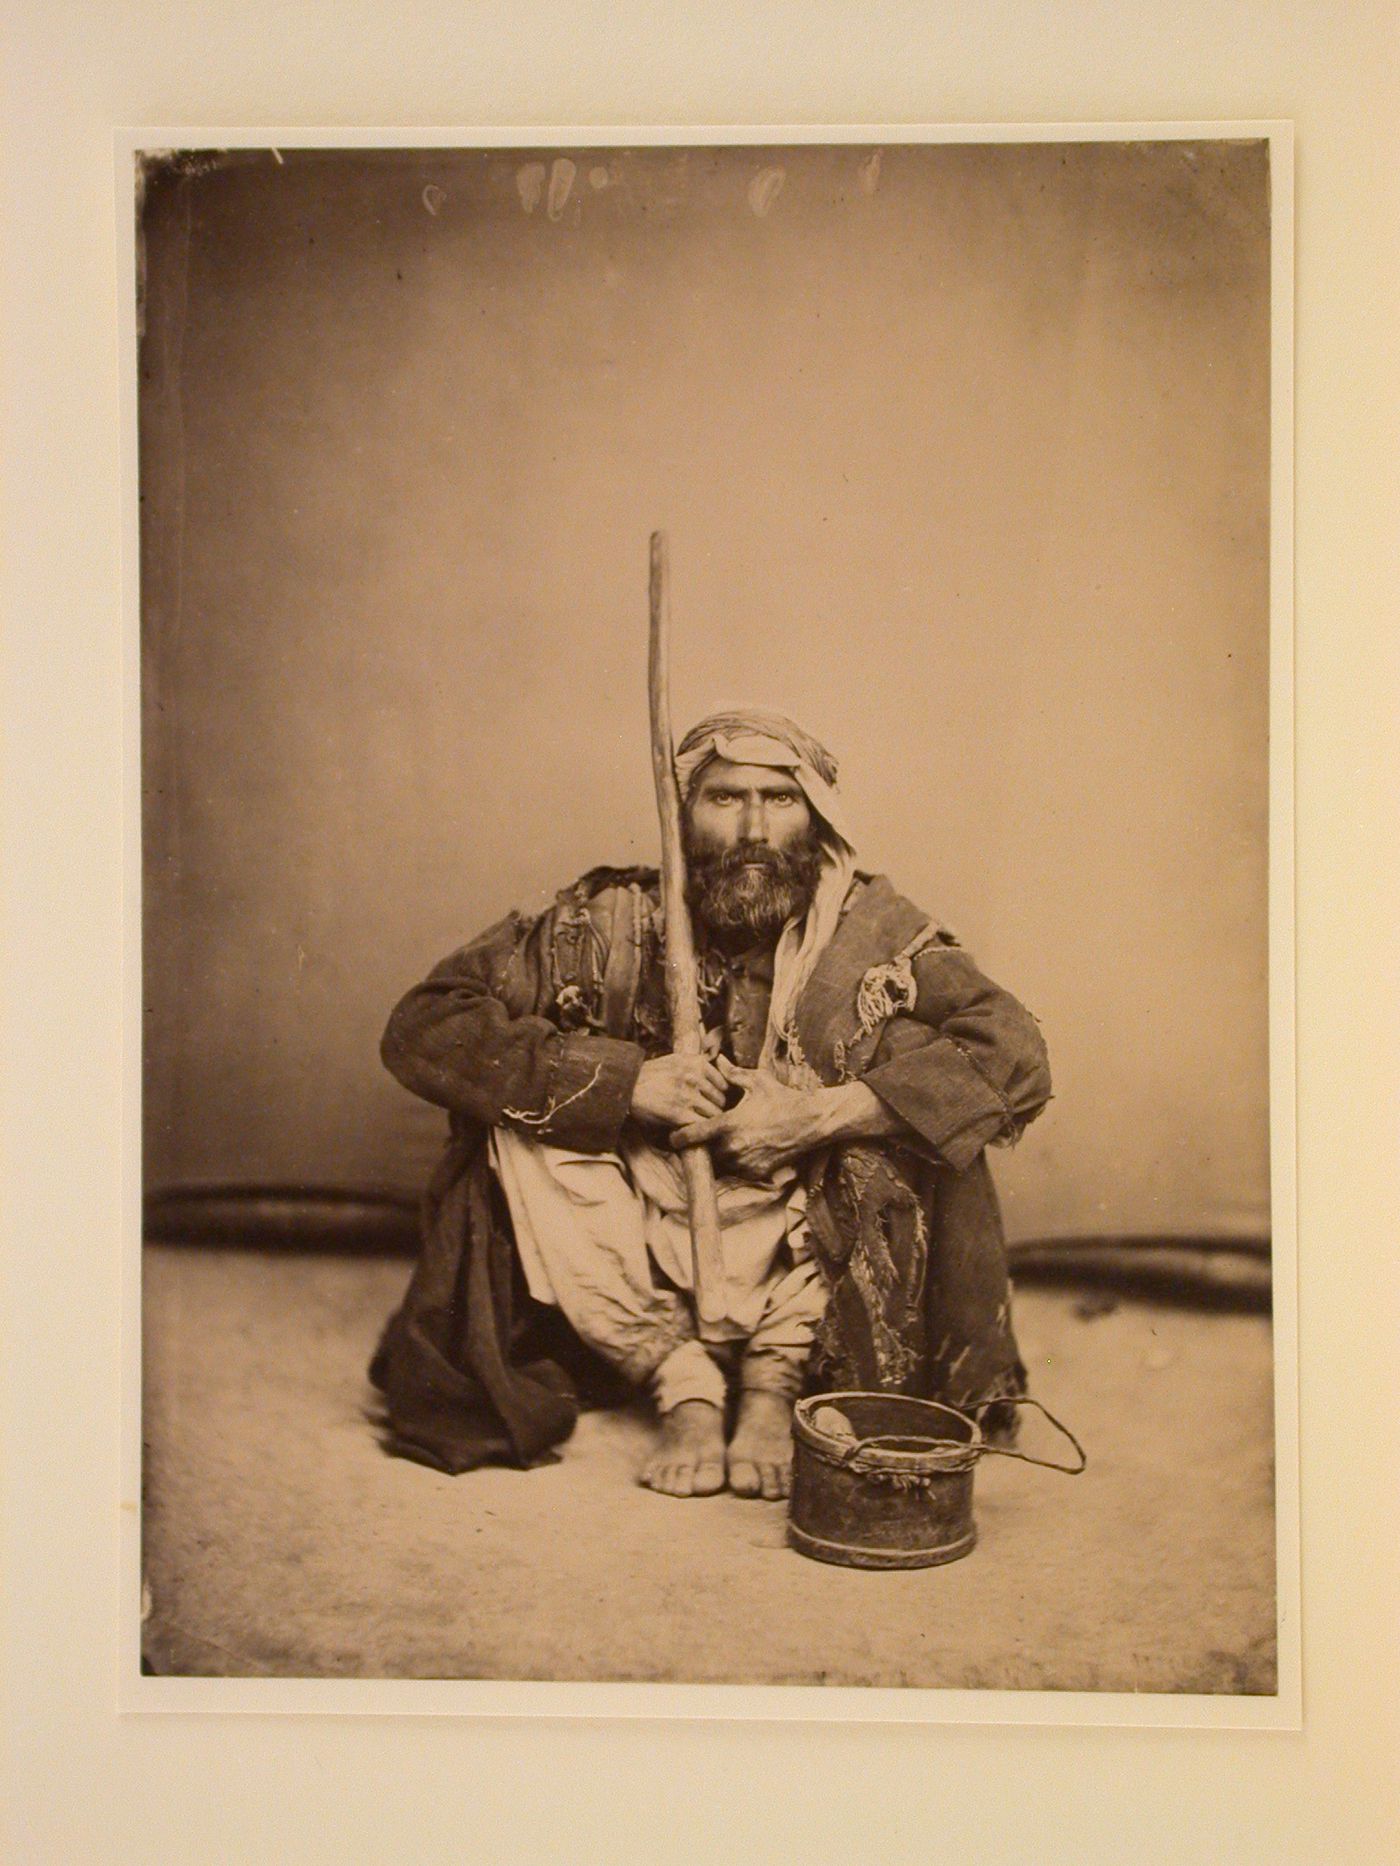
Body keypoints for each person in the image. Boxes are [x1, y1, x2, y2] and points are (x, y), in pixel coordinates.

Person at [371, 710, 1051, 1499]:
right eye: (727, 799)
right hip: (631, 1234)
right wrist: (624, 1084)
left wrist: (818, 1115)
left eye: (780, 799)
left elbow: (1016, 1050)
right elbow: (424, 1025)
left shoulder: (875, 932)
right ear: (682, 813)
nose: (755, 827)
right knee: (523, 1125)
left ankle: (774, 1377)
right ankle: (681, 1380)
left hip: (798, 1228)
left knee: (906, 1090)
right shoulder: (606, 920)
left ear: (819, 818)